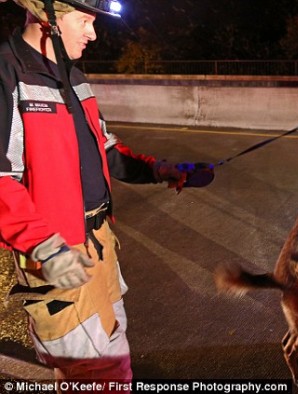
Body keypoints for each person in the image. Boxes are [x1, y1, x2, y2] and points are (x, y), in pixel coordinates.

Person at [0, 0, 212, 388]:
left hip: (98, 244)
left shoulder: (75, 76)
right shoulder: (7, 73)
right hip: (56, 252)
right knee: (97, 375)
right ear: (47, 16)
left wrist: (162, 170)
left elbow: (107, 151)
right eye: (85, 20)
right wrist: (44, 246)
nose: (93, 34)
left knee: (111, 355)